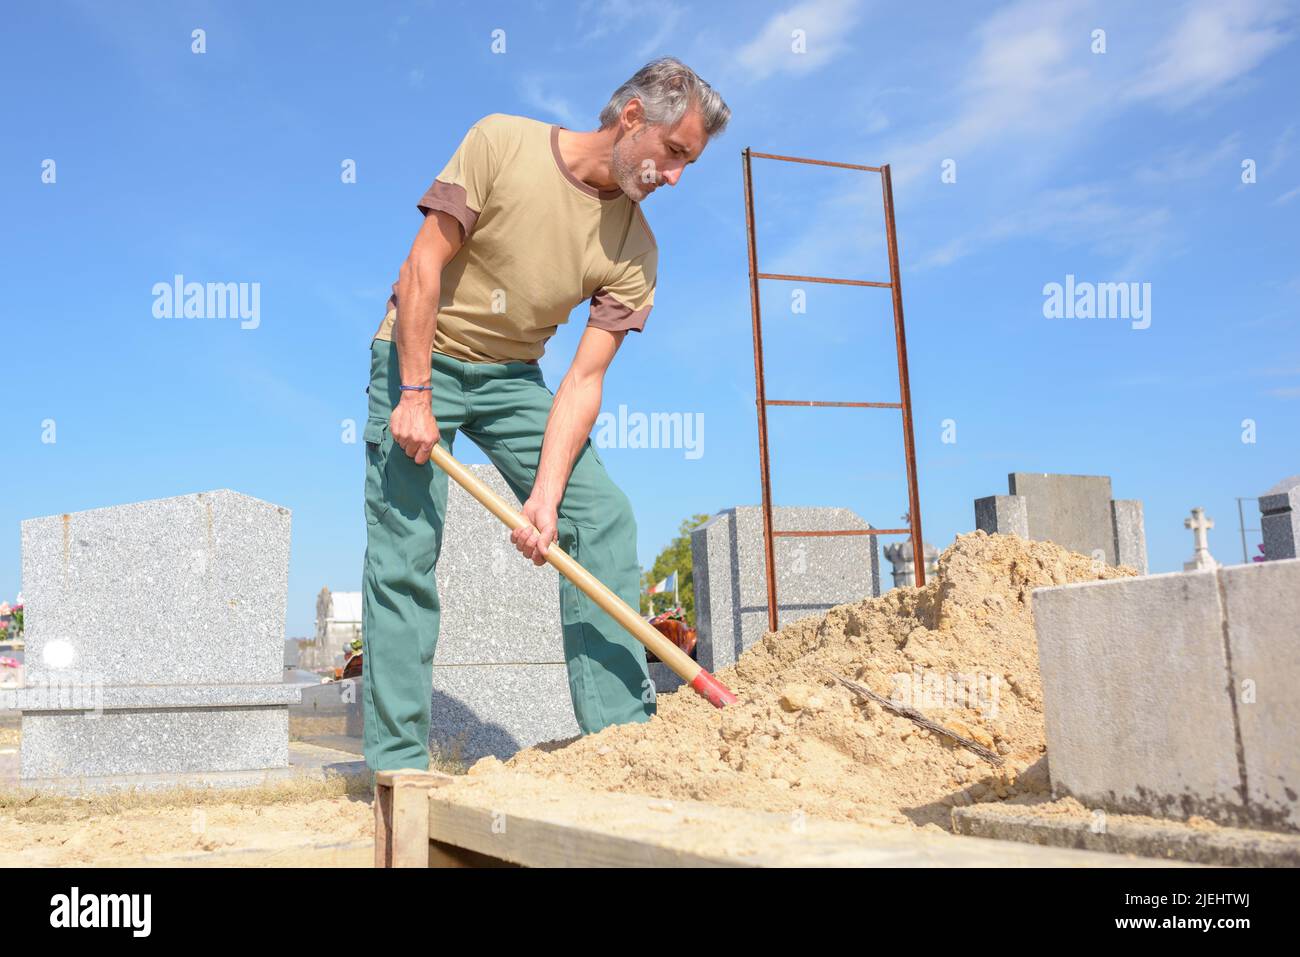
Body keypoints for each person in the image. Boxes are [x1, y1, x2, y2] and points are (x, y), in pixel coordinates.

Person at [360, 58, 731, 774]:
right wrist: (412, 394)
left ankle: (620, 741)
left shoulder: (637, 249)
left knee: (603, 515)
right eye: (674, 153)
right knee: (404, 549)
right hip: (419, 348)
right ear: (631, 119)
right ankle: (399, 766)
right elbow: (421, 268)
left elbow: (584, 377)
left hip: (512, 379)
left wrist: (547, 495)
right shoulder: (502, 143)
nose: (676, 177)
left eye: (690, 164)